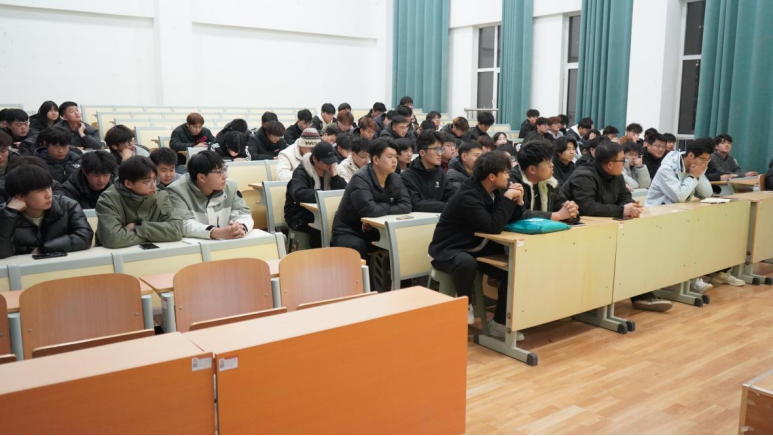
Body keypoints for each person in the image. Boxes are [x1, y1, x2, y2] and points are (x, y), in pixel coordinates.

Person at [428, 151, 524, 338]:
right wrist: (507, 199)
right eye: (505, 172)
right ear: (492, 176)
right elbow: (492, 227)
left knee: (512, 270)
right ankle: (465, 303)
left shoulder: (498, 190)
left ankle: (499, 323)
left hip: (476, 247)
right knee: (466, 262)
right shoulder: (468, 195)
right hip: (449, 249)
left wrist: (517, 201)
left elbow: (509, 220)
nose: (508, 176)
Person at [646, 138, 719, 294]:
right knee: (686, 239)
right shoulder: (667, 169)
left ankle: (691, 278)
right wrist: (693, 176)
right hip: (657, 217)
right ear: (691, 155)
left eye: (708, 160)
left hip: (677, 215)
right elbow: (679, 196)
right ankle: (683, 280)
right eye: (703, 160)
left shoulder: (695, 168)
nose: (705, 164)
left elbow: (707, 193)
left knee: (700, 235)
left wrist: (699, 175)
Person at [331, 138, 412, 260]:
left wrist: (380, 208)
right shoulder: (360, 178)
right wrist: (389, 206)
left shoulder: (395, 178)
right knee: (358, 246)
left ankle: (396, 273)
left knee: (406, 241)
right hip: (349, 231)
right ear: (376, 159)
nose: (395, 160)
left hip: (376, 229)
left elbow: (406, 205)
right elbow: (370, 210)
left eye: (396, 156)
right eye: (390, 157)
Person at [0, 165, 93, 259]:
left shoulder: (67, 205)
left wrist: (43, 248)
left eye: (49, 187)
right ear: (20, 196)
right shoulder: (5, 214)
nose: (48, 195)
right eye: (40, 190)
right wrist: (9, 214)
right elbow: (2, 252)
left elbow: (84, 237)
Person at [95, 156, 184, 249]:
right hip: (115, 254)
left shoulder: (161, 196)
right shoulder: (108, 199)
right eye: (147, 181)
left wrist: (137, 227)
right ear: (128, 184)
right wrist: (158, 235)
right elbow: (113, 239)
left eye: (155, 179)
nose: (153, 185)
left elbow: (177, 230)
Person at [167, 151, 253, 240]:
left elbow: (244, 213)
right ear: (201, 177)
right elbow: (183, 224)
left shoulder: (230, 187)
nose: (225, 176)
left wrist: (240, 228)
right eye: (219, 172)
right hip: (194, 245)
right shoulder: (176, 191)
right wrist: (217, 232)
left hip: (227, 243)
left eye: (224, 169)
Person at [284, 142, 347, 248]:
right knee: (321, 227)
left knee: (343, 226)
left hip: (322, 212)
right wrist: (324, 196)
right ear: (314, 159)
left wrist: (335, 176)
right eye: (326, 162)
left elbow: (344, 192)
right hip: (299, 215)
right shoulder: (301, 172)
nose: (330, 164)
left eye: (331, 161)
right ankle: (320, 256)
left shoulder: (330, 170)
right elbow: (299, 193)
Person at [561, 140, 643, 219]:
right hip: (572, 222)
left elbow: (625, 197)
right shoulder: (584, 176)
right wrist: (621, 210)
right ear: (610, 165)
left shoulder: (617, 175)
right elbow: (586, 207)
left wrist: (631, 207)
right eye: (622, 160)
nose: (625, 163)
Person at [511, 140, 579, 221]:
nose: (552, 165)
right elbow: (517, 215)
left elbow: (561, 206)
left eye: (551, 161)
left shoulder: (550, 182)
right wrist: (557, 216)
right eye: (548, 162)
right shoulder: (513, 181)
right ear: (532, 169)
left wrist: (571, 211)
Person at [400, 131, 455, 213]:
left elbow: (451, 195)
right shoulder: (407, 177)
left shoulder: (440, 173)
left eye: (441, 149)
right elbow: (416, 203)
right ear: (422, 152)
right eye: (436, 149)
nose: (440, 154)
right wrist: (446, 206)